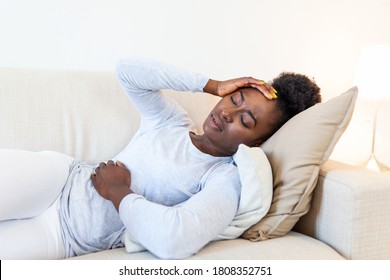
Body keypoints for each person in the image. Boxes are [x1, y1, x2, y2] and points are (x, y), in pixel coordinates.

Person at [0, 57, 321, 260]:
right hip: (58, 180)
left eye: (245, 121)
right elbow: (127, 71)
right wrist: (212, 84)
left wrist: (119, 193)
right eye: (233, 99)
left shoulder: (225, 179)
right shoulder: (171, 122)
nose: (226, 113)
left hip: (64, 238)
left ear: (258, 141)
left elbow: (175, 241)